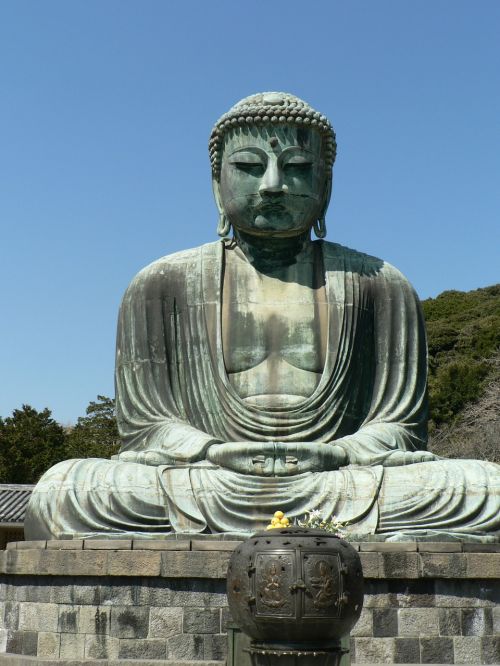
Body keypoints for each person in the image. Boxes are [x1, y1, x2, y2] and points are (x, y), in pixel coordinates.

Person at [25, 93, 500, 541]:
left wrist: (339, 452)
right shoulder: (160, 284)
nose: (273, 184)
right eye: (249, 167)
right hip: (208, 481)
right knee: (65, 492)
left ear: (326, 184)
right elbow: (147, 425)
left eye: (296, 167)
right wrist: (210, 450)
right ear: (217, 184)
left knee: (484, 490)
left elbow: (399, 425)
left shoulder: (379, 282)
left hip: (340, 481)